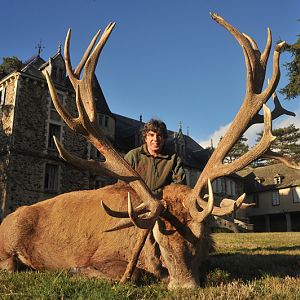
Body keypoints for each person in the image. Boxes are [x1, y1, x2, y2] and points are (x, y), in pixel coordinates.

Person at [124, 118, 186, 196]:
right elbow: (122, 185)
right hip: (136, 204)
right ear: (145, 138)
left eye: (159, 135)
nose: (155, 139)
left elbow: (179, 186)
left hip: (164, 205)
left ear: (164, 138)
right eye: (151, 135)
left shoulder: (174, 159)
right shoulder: (133, 156)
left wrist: (157, 196)